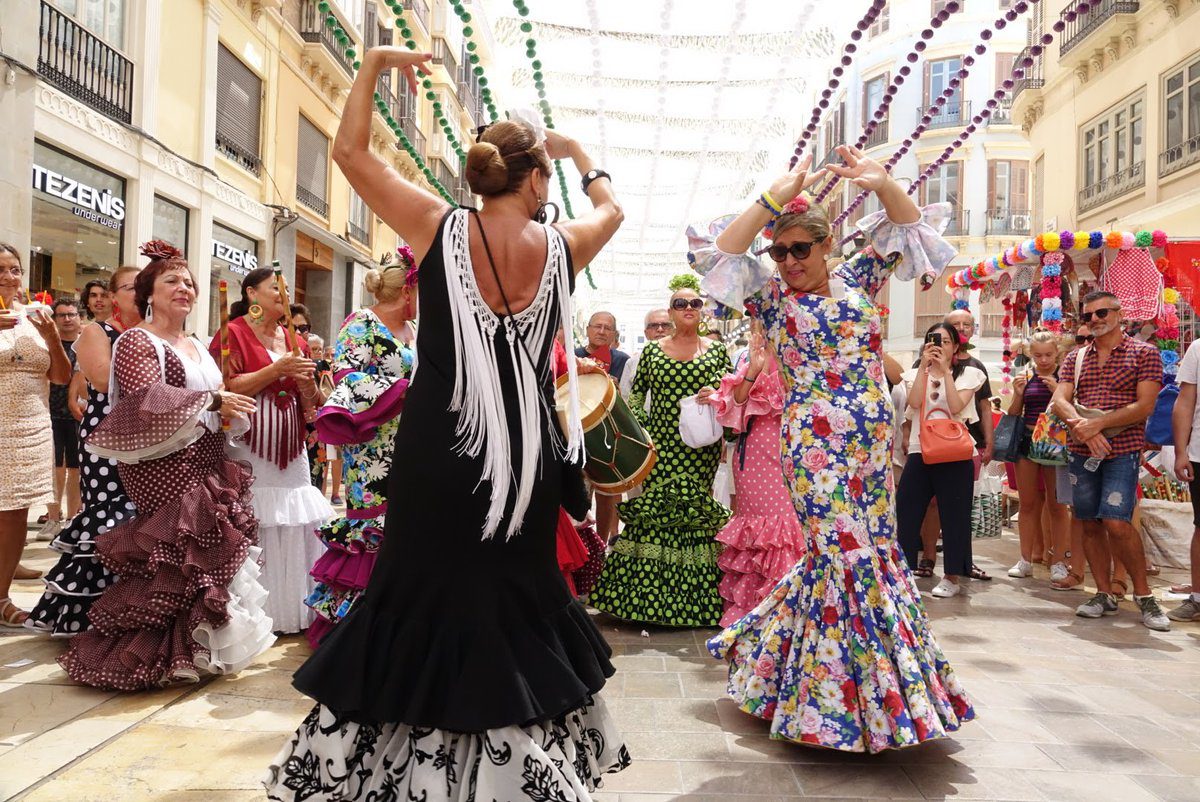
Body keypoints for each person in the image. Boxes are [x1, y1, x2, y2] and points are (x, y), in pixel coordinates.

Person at [265, 46, 628, 800]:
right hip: (522, 457)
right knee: (513, 591)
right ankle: (512, 771)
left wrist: (370, 65)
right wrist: (580, 155)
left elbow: (349, 152)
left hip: (441, 450)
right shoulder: (561, 248)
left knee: (417, 591)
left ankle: (402, 772)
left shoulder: (437, 226)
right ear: (535, 181)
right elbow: (613, 209)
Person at [695, 146, 973, 751]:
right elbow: (724, 254)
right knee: (841, 556)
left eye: (801, 248)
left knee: (871, 554)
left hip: (871, 446)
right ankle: (838, 703)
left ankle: (828, 690)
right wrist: (773, 198)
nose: (789, 260)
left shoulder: (858, 278)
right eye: (781, 250)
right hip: (812, 449)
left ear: (826, 247)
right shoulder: (769, 298)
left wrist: (880, 181)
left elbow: (906, 227)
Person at [58, 241, 274, 687]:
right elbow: (142, 399)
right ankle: (152, 658)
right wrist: (212, 399)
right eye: (171, 281)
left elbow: (215, 396)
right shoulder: (139, 340)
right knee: (176, 558)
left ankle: (197, 649)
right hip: (163, 463)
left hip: (208, 457)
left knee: (204, 556)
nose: (185, 288)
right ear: (148, 295)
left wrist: (226, 411)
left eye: (189, 282)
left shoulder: (195, 343)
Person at [588, 274, 732, 626]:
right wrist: (642, 432)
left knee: (694, 512)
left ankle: (695, 605)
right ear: (671, 312)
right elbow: (635, 395)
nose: (688, 308)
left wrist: (715, 396)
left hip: (700, 449)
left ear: (703, 312)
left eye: (694, 303)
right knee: (658, 512)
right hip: (662, 446)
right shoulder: (653, 351)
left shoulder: (716, 351)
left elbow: (730, 393)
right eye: (680, 304)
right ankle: (646, 601)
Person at [304, 247, 418, 649]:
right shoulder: (361, 324)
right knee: (372, 528)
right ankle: (355, 630)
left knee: (407, 528)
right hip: (371, 448)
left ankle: (400, 625)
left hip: (412, 446)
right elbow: (347, 379)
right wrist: (405, 392)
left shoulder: (414, 331)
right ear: (407, 291)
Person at [215, 268, 334, 635]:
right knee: (256, 516)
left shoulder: (291, 336)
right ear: (252, 293)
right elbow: (227, 386)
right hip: (250, 437)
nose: (282, 294)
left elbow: (311, 400)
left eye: (284, 288)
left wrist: (307, 385)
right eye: (273, 288)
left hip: (290, 440)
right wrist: (276, 368)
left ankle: (292, 609)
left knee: (296, 518)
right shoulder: (232, 332)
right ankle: (254, 613)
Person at [25, 268, 141, 636]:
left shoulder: (152, 333)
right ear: (111, 296)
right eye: (128, 287)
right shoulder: (97, 331)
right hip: (106, 436)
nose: (136, 292)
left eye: (142, 286)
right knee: (110, 516)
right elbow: (104, 380)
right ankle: (90, 615)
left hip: (147, 437)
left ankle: (135, 611)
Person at [1050, 291, 1169, 631]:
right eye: (1088, 316)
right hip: (1082, 448)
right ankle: (1103, 592)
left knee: (1117, 522)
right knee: (1087, 521)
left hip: (1123, 448)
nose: (1095, 320)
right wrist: (1081, 427)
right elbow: (1060, 399)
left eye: (1102, 312)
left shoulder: (1144, 353)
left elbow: (1146, 405)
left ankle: (1144, 595)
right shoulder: (1076, 356)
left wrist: (1098, 424)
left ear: (1119, 313)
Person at [709, 320, 804, 625]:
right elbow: (735, 403)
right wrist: (754, 366)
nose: (760, 325)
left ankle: (787, 612)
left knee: (787, 530)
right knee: (759, 530)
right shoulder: (744, 356)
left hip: (796, 451)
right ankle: (755, 613)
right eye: (756, 319)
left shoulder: (803, 352)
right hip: (753, 455)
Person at [0, 244, 72, 625]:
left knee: (15, 512)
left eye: (15, 269)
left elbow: (59, 377)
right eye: (1, 269)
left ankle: (0, 597)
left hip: (31, 425)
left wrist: (53, 338)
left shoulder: (32, 317)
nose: (9, 277)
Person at [898, 323, 987, 598]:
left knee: (955, 515)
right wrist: (926, 369)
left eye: (946, 341)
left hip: (955, 451)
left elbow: (956, 406)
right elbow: (913, 403)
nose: (939, 346)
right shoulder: (914, 373)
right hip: (919, 448)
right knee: (907, 510)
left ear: (956, 347)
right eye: (934, 340)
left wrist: (945, 372)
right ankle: (903, 570)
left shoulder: (969, 374)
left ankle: (952, 576)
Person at [1006, 331, 1071, 582]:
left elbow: (1071, 409)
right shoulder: (1026, 376)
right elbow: (1013, 412)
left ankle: (1059, 561)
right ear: (1030, 354)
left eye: (1048, 354)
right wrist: (1018, 393)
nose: (1043, 360)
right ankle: (1025, 559)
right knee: (1028, 503)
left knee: (1057, 505)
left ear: (1057, 353)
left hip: (1055, 442)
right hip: (1027, 440)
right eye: (1037, 355)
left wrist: (1058, 391)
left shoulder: (1064, 377)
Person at [577, 310, 630, 543]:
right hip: (578, 435)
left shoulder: (622, 360)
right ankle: (580, 543)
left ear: (614, 334)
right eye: (597, 326)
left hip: (611, 435)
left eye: (607, 328)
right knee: (579, 490)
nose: (601, 331)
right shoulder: (573, 356)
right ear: (587, 330)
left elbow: (630, 402)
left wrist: (616, 392)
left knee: (608, 492)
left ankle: (601, 543)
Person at [36, 298, 84, 541]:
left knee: (76, 469)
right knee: (53, 469)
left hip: (78, 416)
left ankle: (73, 520)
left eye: (71, 314)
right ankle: (53, 518)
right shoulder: (45, 343)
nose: (67, 319)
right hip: (49, 413)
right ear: (53, 319)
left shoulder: (86, 343)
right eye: (62, 315)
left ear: (79, 317)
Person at [1169, 337, 1200, 621]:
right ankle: (1198, 598)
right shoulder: (1198, 348)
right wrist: (1181, 452)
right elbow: (1185, 402)